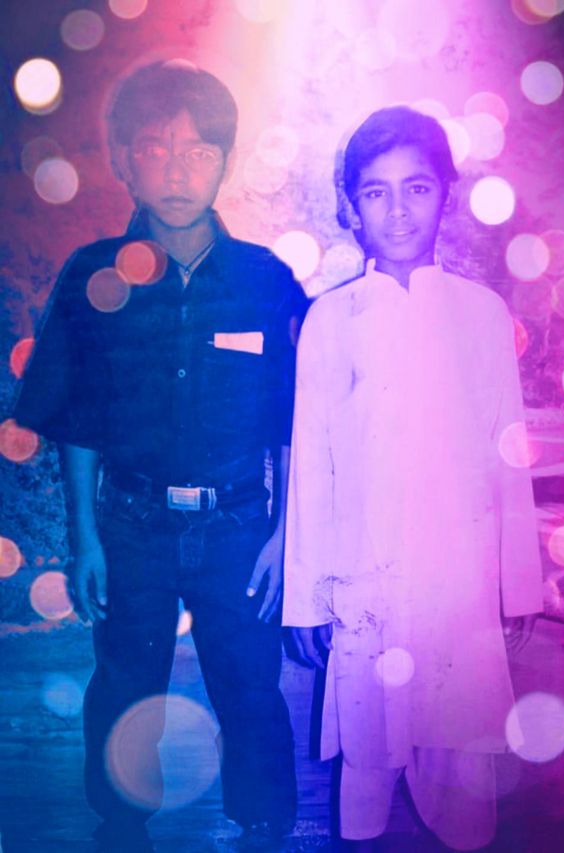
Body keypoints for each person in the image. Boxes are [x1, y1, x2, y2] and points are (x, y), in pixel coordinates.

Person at [14, 60, 305, 853]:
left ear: (226, 161)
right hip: (132, 524)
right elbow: (76, 420)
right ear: (124, 158)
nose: (178, 170)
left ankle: (266, 821)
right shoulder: (91, 276)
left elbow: (295, 423)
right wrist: (86, 539)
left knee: (250, 685)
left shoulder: (264, 281)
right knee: (123, 683)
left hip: (239, 527)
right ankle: (120, 824)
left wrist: (286, 536)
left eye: (198, 151)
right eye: (156, 148)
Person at [283, 106, 543, 851]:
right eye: (376, 192)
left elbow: (508, 455)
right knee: (369, 753)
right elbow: (313, 469)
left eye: (417, 188)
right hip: (365, 579)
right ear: (351, 207)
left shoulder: (483, 315)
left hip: (461, 580)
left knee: (462, 765)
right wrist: (307, 599)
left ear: (445, 196)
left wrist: (517, 584)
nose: (398, 210)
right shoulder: (331, 321)